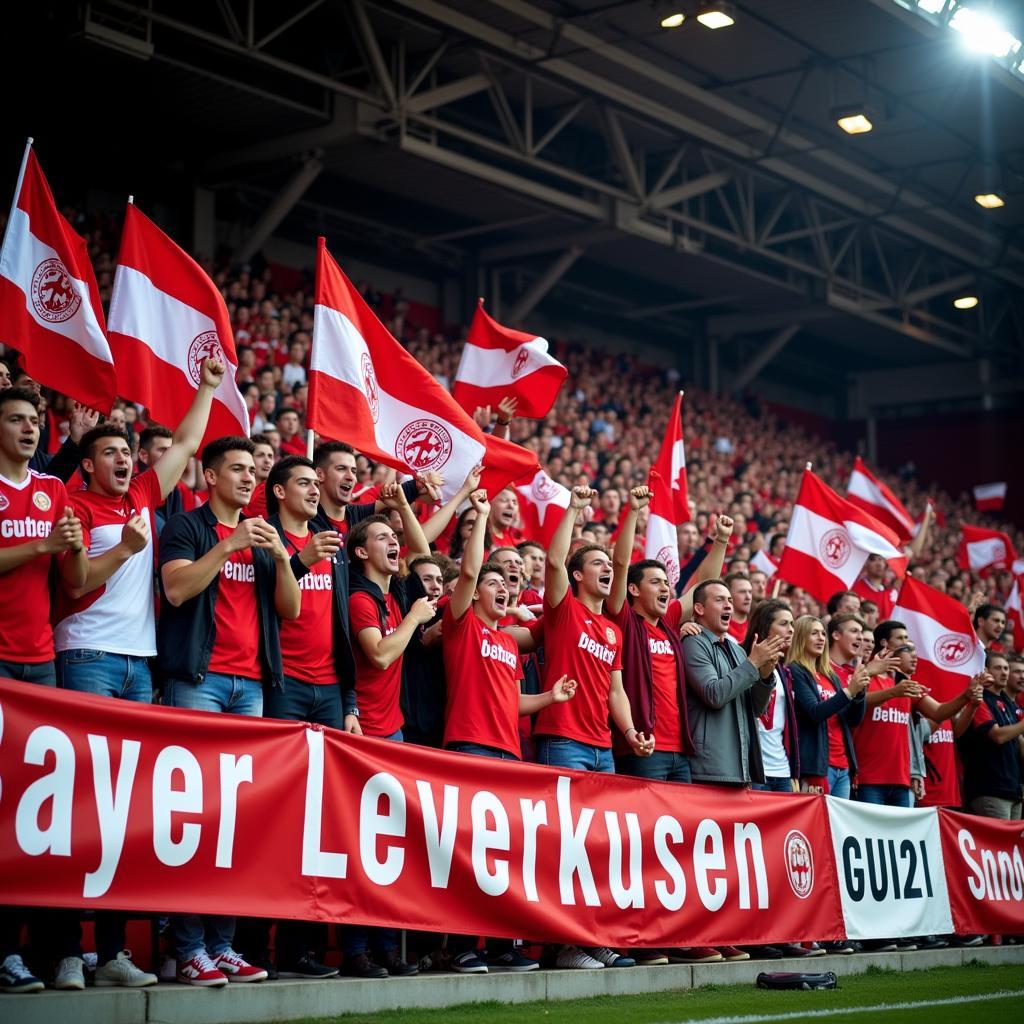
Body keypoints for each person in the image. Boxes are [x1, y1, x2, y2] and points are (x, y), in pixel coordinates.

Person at [48, 361, 224, 991]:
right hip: (85, 659)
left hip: (138, 666)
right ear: (89, 464)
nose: (125, 460)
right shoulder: (71, 504)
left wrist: (204, 389)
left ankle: (114, 952)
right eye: (112, 453)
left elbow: (182, 446)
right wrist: (122, 549)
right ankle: (68, 952)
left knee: (120, 816)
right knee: (77, 812)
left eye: (128, 452)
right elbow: (74, 582)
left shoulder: (143, 498)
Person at [158, 435, 301, 987]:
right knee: (196, 819)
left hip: (251, 689)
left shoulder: (263, 535)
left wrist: (280, 557)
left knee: (235, 824)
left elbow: (287, 608)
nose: (248, 478)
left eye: (252, 471)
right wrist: (227, 545)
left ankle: (222, 946)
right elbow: (175, 590)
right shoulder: (187, 528)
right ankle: (189, 946)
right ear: (210, 475)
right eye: (237, 469)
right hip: (199, 683)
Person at [514, 486, 651, 971]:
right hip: (563, 741)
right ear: (578, 576)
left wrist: (631, 731)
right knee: (566, 846)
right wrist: (573, 510)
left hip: (602, 749)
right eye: (598, 564)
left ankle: (590, 938)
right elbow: (551, 564)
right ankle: (566, 945)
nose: (608, 569)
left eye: (608, 565)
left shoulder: (612, 630)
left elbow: (616, 690)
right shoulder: (563, 610)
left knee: (594, 848)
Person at [441, 491, 577, 974]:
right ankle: (460, 945)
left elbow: (513, 702)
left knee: (498, 857)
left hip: (508, 753)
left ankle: (500, 946)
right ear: (476, 591)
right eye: (492, 582)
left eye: (507, 585)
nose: (501, 588)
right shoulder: (461, 626)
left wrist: (549, 701)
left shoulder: (505, 640)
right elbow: (469, 572)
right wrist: (477, 517)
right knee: (463, 854)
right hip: (470, 748)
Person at [241, 455, 348, 980]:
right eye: (304, 482)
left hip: (328, 692)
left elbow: (342, 627)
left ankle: (299, 948)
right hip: (280, 688)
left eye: (316, 481)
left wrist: (348, 701)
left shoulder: (334, 544)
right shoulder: (263, 538)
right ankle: (252, 945)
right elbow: (270, 601)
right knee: (273, 820)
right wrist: (300, 560)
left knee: (320, 826)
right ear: (279, 492)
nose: (316, 488)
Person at [0, 386, 88, 996]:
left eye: (35, 421)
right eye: (16, 420)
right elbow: (40, 552)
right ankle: (6, 955)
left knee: (45, 819)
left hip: (43, 662)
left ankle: (59, 954)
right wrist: (43, 546)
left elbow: (74, 580)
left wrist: (81, 554)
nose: (30, 429)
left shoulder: (54, 490)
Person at [341, 488, 433, 979]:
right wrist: (416, 619)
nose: (393, 541)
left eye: (392, 536)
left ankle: (384, 947)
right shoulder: (359, 597)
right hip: (365, 733)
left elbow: (420, 553)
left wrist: (401, 508)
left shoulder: (394, 593)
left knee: (386, 847)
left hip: (392, 732)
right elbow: (377, 654)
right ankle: (356, 949)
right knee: (362, 846)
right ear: (360, 551)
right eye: (382, 537)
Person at [853, 622, 980, 808]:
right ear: (884, 643)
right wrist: (893, 692)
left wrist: (966, 696)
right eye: (901, 639)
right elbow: (855, 702)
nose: (906, 644)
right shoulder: (864, 676)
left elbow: (938, 712)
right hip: (868, 778)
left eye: (908, 640)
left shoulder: (907, 684)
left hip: (901, 781)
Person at [682, 579, 788, 790]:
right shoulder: (693, 643)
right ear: (699, 608)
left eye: (730, 600)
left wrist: (765, 676)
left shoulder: (737, 650)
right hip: (709, 768)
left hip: (740, 766)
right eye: (720, 600)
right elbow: (714, 694)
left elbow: (755, 709)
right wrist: (753, 663)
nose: (729, 605)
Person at [790, 615, 869, 800]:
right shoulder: (795, 671)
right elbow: (815, 712)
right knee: (817, 825)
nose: (821, 639)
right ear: (801, 637)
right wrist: (850, 691)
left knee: (837, 827)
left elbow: (852, 720)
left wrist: (859, 692)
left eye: (822, 634)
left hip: (843, 766)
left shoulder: (830, 675)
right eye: (814, 634)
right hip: (817, 767)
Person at [742, 601, 800, 794]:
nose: (791, 630)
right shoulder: (742, 658)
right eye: (784, 624)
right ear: (766, 626)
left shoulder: (785, 671)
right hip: (753, 769)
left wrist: (794, 771)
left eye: (792, 624)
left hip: (782, 770)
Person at [962, 651, 1023, 819]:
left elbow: (1018, 742)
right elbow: (998, 736)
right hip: (990, 789)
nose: (1004, 672)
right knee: (1000, 844)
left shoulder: (1007, 703)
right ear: (986, 671)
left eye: (1006, 668)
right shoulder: (980, 700)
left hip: (1013, 790)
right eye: (998, 668)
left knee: (1010, 846)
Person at [852, 554, 895, 620]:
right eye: (874, 559)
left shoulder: (891, 594)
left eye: (882, 560)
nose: (879, 564)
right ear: (866, 563)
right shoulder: (854, 588)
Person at [724, 571, 752, 643]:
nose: (748, 597)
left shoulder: (756, 628)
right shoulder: (717, 627)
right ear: (728, 595)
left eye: (750, 592)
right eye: (742, 592)